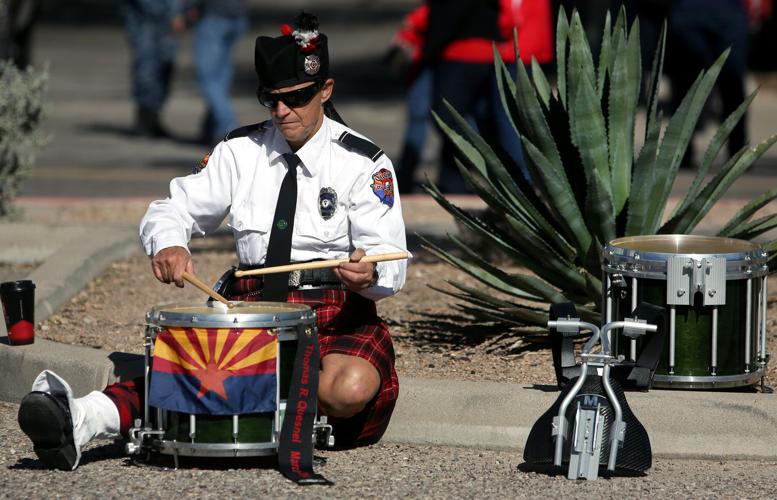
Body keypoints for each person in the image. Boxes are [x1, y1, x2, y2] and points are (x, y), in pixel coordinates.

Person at [17, 12, 409, 471]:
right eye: (271, 100)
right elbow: (171, 208)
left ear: (326, 90)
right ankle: (81, 417)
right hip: (250, 305)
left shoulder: (364, 164)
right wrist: (169, 244)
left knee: (350, 389)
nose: (283, 112)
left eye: (297, 98)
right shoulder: (240, 152)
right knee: (202, 363)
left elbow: (390, 263)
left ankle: (231, 396)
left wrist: (369, 274)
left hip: (335, 310)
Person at [186, 0, 248, 145]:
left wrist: (189, 7)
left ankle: (229, 125)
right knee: (221, 77)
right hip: (237, 15)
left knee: (208, 77)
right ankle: (210, 129)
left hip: (215, 16)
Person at [119, 0, 182, 138]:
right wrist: (174, 14)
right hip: (146, 24)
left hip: (165, 26)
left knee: (165, 69)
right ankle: (144, 119)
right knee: (146, 71)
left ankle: (154, 118)